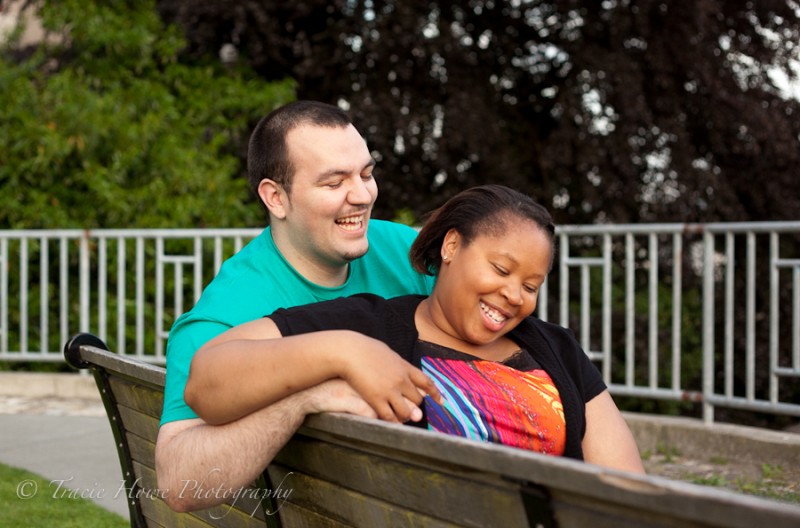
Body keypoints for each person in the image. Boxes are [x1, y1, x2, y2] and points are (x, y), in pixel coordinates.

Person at [186, 185, 645, 472]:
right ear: (450, 246)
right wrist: (345, 351)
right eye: (501, 269)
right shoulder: (369, 326)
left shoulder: (556, 349)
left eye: (531, 284)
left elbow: (626, 488)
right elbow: (206, 378)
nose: (514, 295)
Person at [155, 100, 440, 512]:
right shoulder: (229, 310)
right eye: (333, 182)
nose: (362, 195)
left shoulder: (404, 251)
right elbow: (180, 482)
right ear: (276, 198)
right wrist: (305, 396)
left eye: (366, 174)